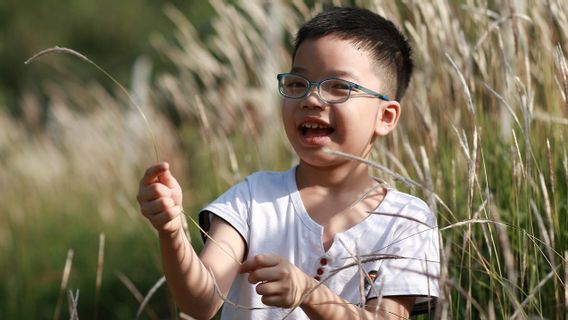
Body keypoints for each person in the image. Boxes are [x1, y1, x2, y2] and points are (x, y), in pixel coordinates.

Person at [137, 6, 439, 320]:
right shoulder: (252, 197)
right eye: (297, 84)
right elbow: (201, 301)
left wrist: (309, 292)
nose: (311, 99)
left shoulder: (407, 221)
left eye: (338, 87)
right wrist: (172, 231)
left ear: (385, 116)